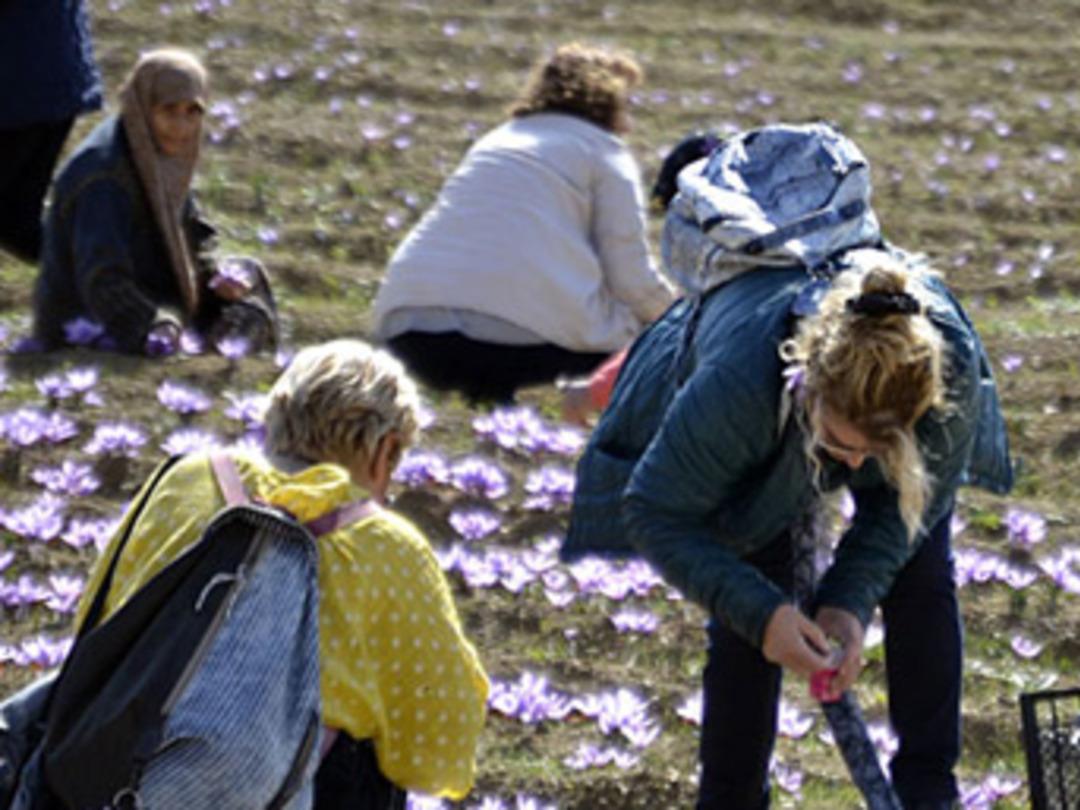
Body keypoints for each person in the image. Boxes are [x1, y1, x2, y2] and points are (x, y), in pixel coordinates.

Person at [562, 251, 1012, 809]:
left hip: (868, 419)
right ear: (810, 389)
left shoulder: (949, 384)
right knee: (751, 588)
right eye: (843, 447)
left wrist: (847, 602)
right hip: (758, 406)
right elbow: (654, 509)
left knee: (919, 563)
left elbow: (898, 520)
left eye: (876, 452)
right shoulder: (739, 388)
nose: (853, 467)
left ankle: (929, 794)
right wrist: (764, 615)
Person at [74, 339, 490, 802]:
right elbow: (435, 746)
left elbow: (97, 617)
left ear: (277, 415)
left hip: (121, 768)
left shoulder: (184, 479)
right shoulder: (386, 545)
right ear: (383, 450)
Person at [372, 41, 674, 403]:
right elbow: (630, 278)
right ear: (610, 100)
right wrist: (682, 317)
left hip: (407, 329)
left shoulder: (496, 140)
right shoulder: (602, 152)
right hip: (511, 341)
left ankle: (495, 425)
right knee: (646, 347)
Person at [32, 48, 277, 356]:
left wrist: (219, 271)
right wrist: (156, 323)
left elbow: (193, 236)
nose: (181, 125)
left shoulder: (155, 155)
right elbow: (101, 279)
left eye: (193, 112)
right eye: (169, 110)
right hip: (94, 321)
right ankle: (201, 353)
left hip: (160, 296)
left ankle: (219, 353)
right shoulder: (103, 176)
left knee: (249, 276)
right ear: (143, 108)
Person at [0, 0, 103, 264]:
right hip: (53, 75)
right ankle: (122, 286)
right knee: (16, 221)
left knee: (16, 219)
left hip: (21, 84)